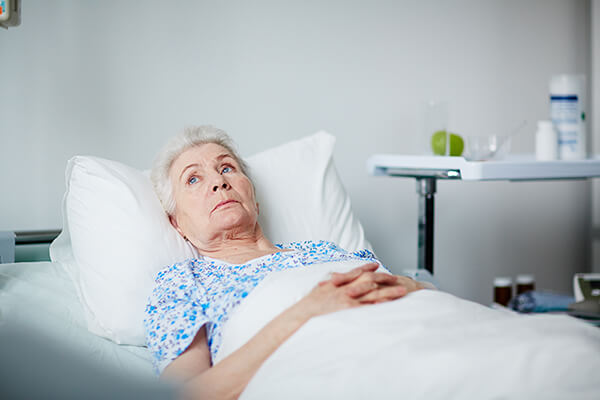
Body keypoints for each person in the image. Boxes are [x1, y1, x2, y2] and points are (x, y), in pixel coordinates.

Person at [144, 126, 426, 399]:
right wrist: (305, 311)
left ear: (254, 200)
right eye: (193, 179)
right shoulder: (183, 282)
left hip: (415, 342)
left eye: (227, 168)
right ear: (177, 223)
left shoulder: (324, 251)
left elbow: (423, 295)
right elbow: (187, 395)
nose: (219, 182)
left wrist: (410, 285)